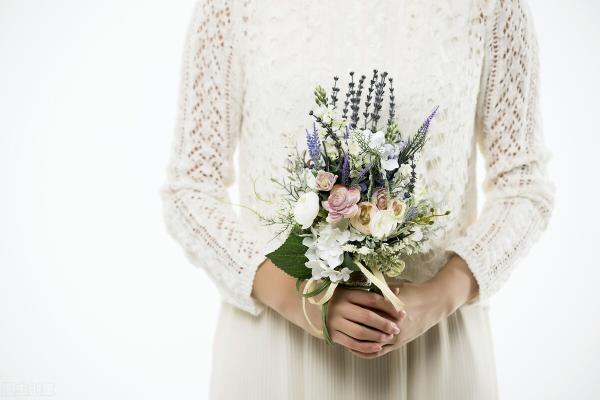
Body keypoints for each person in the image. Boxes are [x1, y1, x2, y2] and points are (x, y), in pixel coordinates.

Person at [159, 0, 554, 398]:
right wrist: (300, 301)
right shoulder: (233, 7)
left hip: (433, 343)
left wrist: (438, 297)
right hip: (278, 343)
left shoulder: (489, 7)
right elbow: (191, 188)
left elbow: (523, 185)